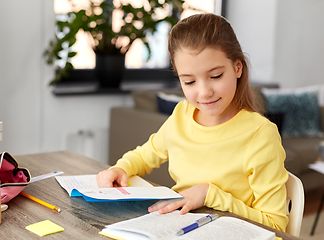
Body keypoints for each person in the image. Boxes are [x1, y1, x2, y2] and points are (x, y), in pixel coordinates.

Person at [96, 13, 288, 232]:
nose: (204, 92)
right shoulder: (181, 115)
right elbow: (144, 155)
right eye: (189, 81)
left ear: (237, 68)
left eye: (216, 76)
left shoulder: (260, 134)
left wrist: (210, 194)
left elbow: (276, 225)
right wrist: (122, 167)